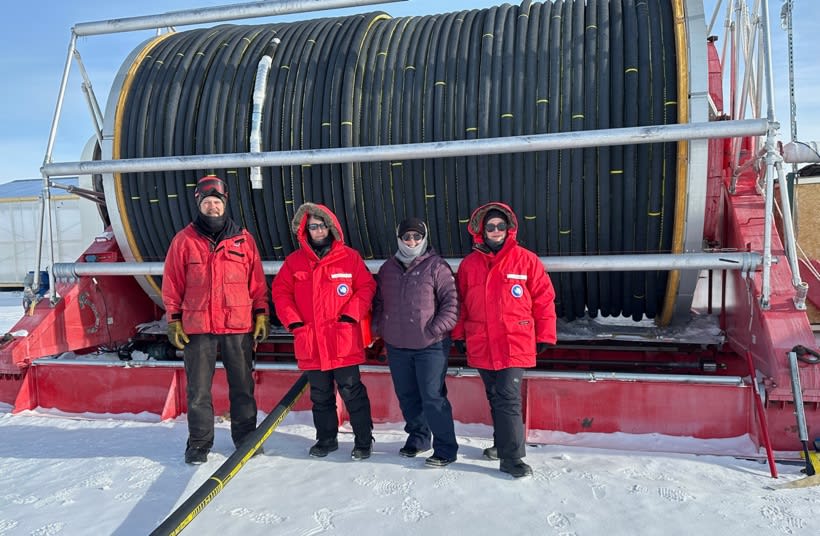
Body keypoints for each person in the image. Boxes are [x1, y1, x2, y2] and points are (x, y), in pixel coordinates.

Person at [162, 175, 270, 465]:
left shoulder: (243, 240)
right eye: (207, 202)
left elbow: (256, 283)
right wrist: (174, 320)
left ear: (225, 204)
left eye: (216, 201)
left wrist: (261, 313)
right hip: (198, 328)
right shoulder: (184, 241)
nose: (212, 207)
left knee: (243, 387)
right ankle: (198, 443)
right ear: (199, 203)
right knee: (198, 391)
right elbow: (172, 283)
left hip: (237, 325)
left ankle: (246, 438)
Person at [451, 202, 557, 478]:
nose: (495, 231)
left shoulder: (527, 260)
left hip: (514, 341)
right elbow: (460, 302)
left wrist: (545, 334)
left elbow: (544, 299)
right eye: (490, 226)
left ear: (509, 229)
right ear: (480, 231)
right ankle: (501, 445)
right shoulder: (469, 265)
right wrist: (459, 333)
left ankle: (513, 459)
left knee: (508, 397)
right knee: (495, 395)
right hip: (481, 341)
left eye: (500, 226)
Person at [271, 203, 377, 460]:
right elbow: (280, 293)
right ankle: (326, 439)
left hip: (342, 340)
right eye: (312, 227)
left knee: (352, 392)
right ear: (305, 231)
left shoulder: (349, 257)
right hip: (311, 341)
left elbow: (366, 287)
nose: (317, 231)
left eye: (321, 226)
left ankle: (364, 440)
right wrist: (294, 323)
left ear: (331, 227)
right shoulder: (294, 262)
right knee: (320, 395)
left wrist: (351, 314)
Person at [372, 217, 459, 467]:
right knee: (407, 395)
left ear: (424, 238)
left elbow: (451, 305)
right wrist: (381, 327)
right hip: (397, 346)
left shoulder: (437, 267)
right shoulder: (388, 269)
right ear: (399, 238)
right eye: (407, 236)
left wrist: (433, 330)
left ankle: (446, 448)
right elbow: (379, 303)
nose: (412, 241)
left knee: (432, 396)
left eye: (417, 237)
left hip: (430, 346)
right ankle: (419, 439)